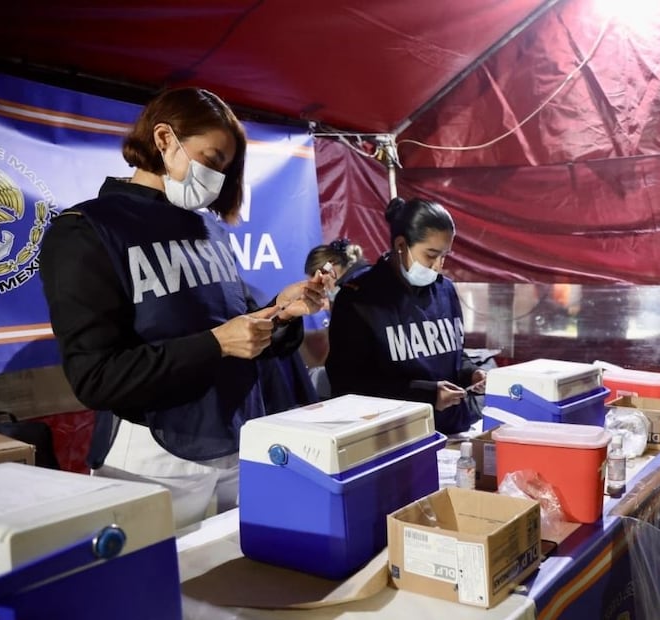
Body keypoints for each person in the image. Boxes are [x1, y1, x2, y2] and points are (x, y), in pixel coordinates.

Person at [38, 87, 325, 528]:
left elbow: (237, 330)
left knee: (246, 564)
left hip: (237, 438)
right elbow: (96, 377)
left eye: (224, 169)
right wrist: (215, 344)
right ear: (164, 139)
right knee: (151, 571)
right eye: (211, 159)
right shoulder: (87, 230)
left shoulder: (210, 230)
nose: (217, 178)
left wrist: (280, 312)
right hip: (152, 455)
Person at [324, 197, 485, 434]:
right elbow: (349, 384)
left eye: (444, 256)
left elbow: (453, 356)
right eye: (431, 255)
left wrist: (471, 373)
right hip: (396, 437)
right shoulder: (359, 299)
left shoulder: (445, 290)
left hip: (453, 430)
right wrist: (426, 394)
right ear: (401, 245)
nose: (438, 266)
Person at [300, 237, 370, 397]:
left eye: (319, 281)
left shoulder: (352, 294)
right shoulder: (362, 283)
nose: (319, 288)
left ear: (331, 267)